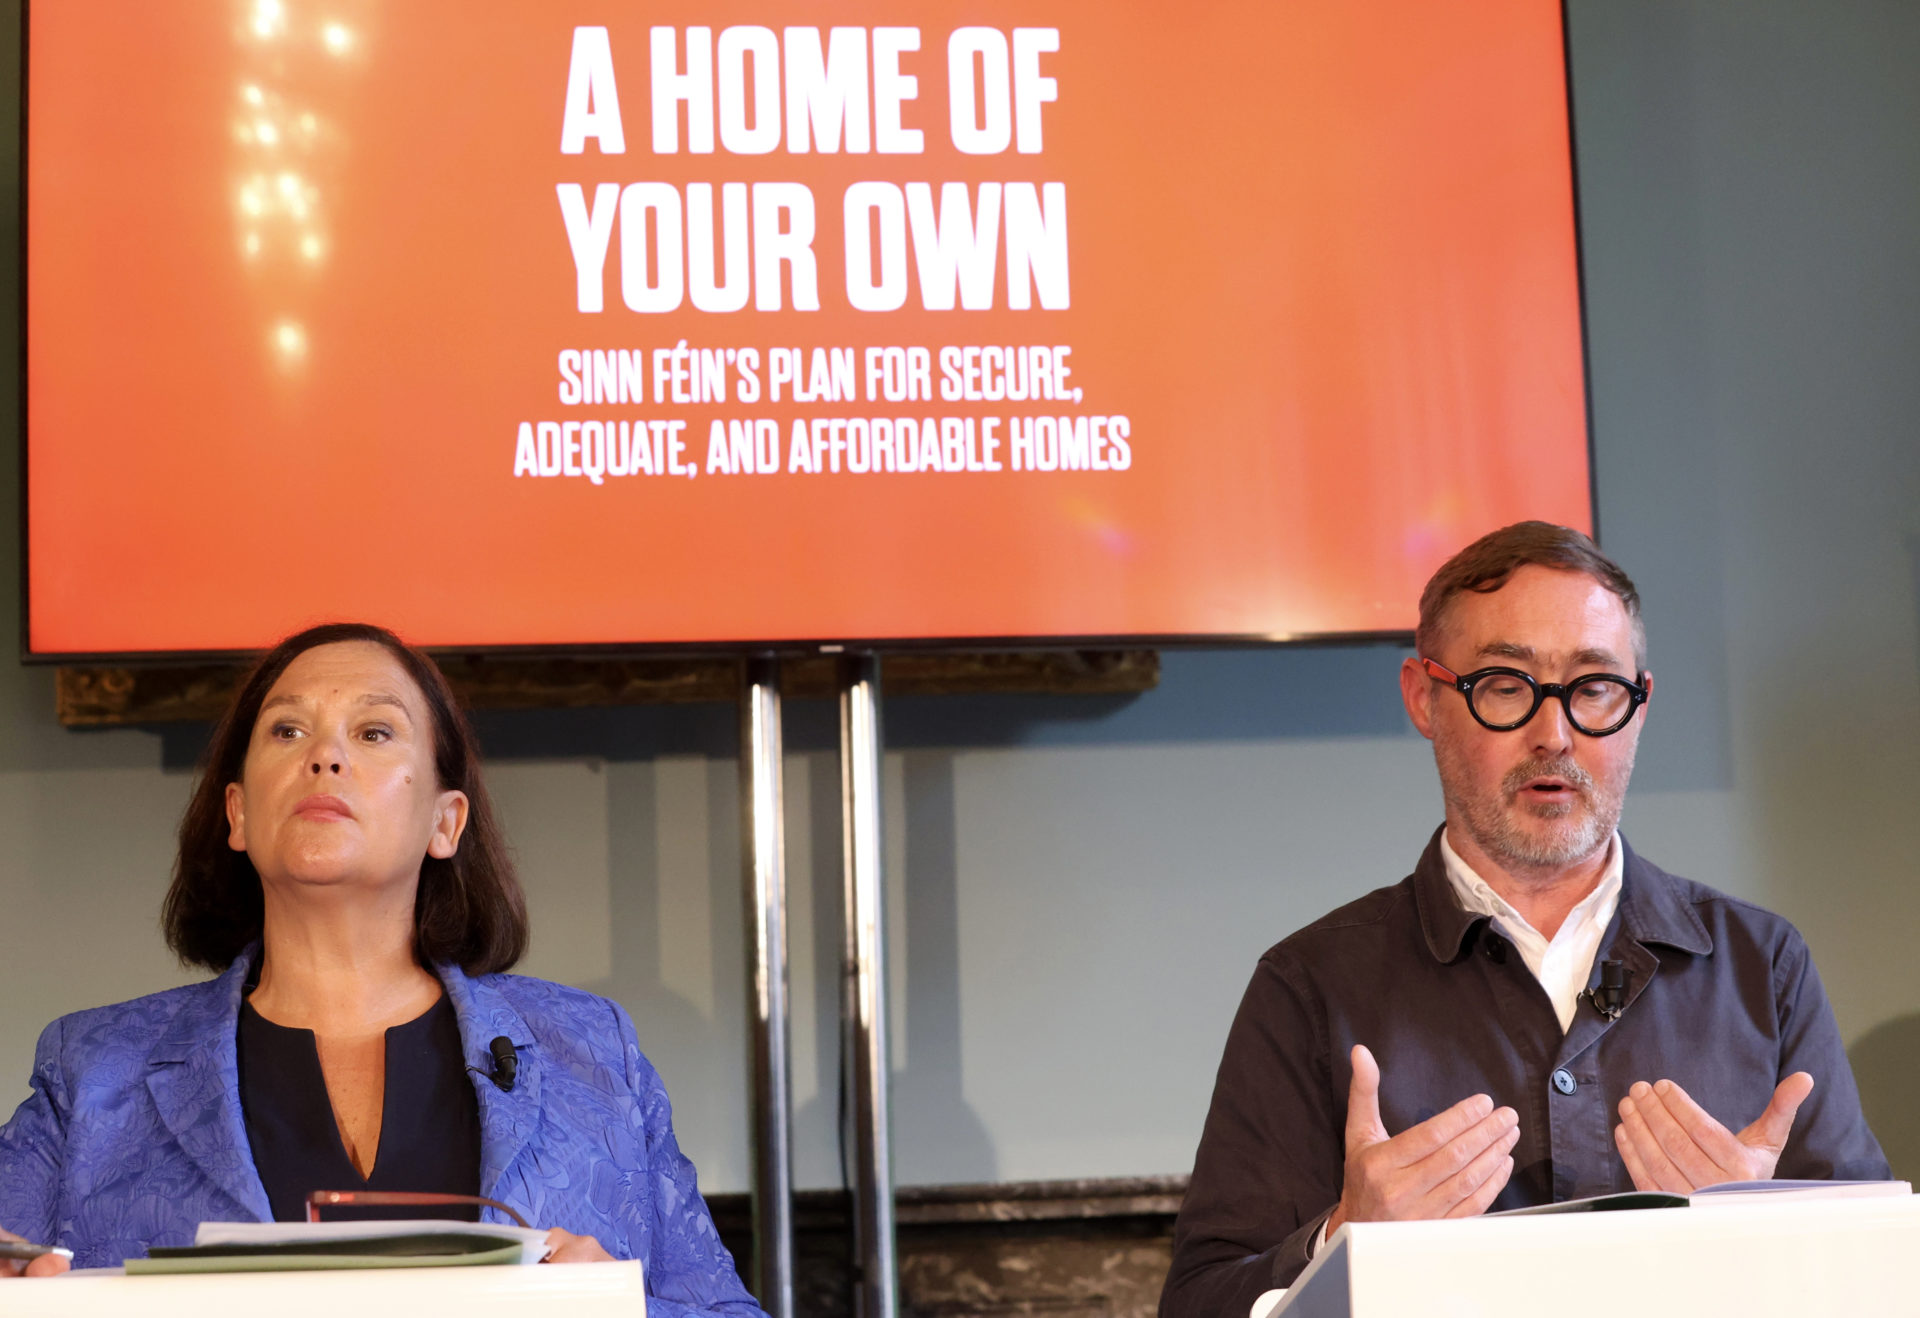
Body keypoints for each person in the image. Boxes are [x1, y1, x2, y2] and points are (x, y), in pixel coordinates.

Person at [1160, 522, 1889, 1317]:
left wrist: (1778, 1240)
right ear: (1424, 699)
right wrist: (1342, 1239)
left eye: (1594, 688)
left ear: (1640, 706)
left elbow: (1884, 1284)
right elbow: (1200, 1304)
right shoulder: (1309, 986)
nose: (1555, 734)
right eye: (1506, 685)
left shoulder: (1762, 965)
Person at [0, 623, 767, 1315]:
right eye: (288, 729)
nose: (324, 755)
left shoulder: (592, 1053)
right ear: (236, 814)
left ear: (445, 821)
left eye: (373, 732)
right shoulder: (97, 1071)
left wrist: (612, 1308)